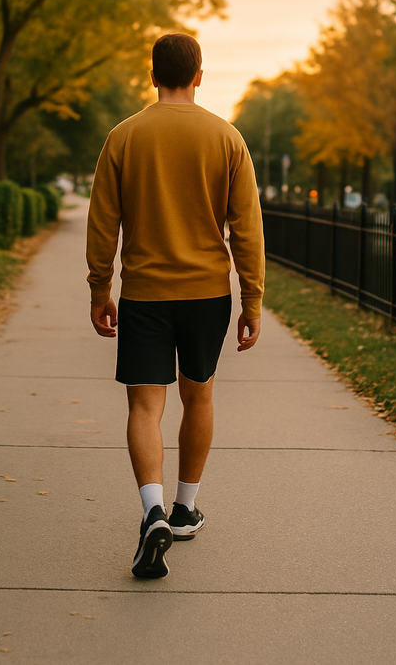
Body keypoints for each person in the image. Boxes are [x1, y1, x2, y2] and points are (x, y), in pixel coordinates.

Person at [86, 33, 265, 579]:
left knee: (145, 407)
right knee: (199, 397)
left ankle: (152, 511)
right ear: (200, 75)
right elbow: (247, 228)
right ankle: (186, 509)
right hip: (207, 293)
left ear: (152, 74)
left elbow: (102, 222)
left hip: (145, 292)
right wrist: (251, 298)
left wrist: (100, 288)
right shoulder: (227, 138)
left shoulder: (124, 137)